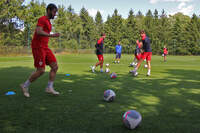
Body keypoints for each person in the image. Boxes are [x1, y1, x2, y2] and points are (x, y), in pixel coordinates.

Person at [20, 3, 60, 98]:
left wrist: (51, 35)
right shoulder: (42, 19)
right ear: (49, 10)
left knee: (55, 66)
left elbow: (44, 33)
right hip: (38, 47)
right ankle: (25, 86)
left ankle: (49, 88)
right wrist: (52, 35)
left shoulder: (49, 22)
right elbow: (38, 31)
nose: (55, 14)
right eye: (54, 12)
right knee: (41, 70)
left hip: (45, 47)